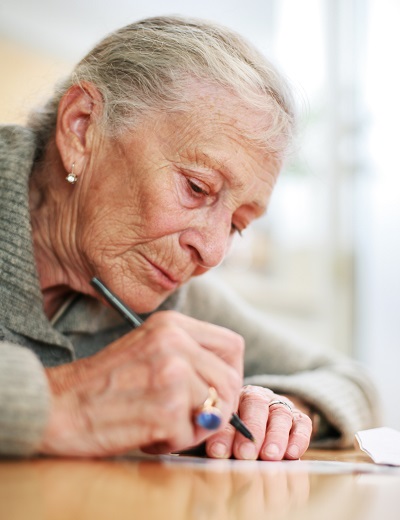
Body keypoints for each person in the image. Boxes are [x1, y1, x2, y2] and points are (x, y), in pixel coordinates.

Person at [0, 16, 380, 459]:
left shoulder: (167, 297)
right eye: (197, 188)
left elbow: (353, 380)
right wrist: (63, 402)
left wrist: (277, 407)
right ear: (83, 128)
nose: (213, 252)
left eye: (237, 224)